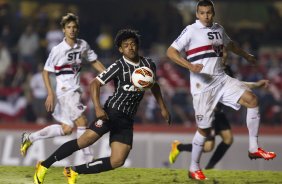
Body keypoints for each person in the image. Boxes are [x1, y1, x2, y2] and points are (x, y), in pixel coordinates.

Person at [32, 29, 171, 184]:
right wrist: (98, 108)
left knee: (118, 161)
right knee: (86, 140)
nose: (130, 47)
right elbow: (95, 84)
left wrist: (163, 107)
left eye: (133, 44)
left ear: (137, 45)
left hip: (127, 119)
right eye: (126, 45)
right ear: (120, 49)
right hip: (112, 112)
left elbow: (154, 85)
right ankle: (44, 165)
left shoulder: (149, 64)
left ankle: (73, 171)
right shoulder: (118, 66)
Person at [166, 0, 276, 180]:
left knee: (252, 100)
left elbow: (231, 46)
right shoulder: (191, 30)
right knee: (204, 131)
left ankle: (254, 148)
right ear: (197, 14)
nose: (206, 16)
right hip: (203, 87)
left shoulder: (219, 29)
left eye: (209, 12)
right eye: (202, 13)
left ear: (213, 13)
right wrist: (189, 66)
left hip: (221, 79)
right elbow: (171, 52)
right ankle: (194, 167)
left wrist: (246, 56)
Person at [20, 13, 105, 163]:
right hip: (66, 91)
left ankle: (30, 138)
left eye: (74, 27)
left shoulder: (83, 45)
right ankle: (89, 159)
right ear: (63, 30)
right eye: (68, 27)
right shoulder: (57, 50)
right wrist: (50, 94)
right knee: (82, 122)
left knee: (66, 129)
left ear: (77, 29)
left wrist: (108, 74)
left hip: (74, 91)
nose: (71, 30)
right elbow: (46, 72)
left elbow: (94, 61)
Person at [169, 79, 270, 169]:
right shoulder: (209, 66)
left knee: (228, 139)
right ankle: (178, 147)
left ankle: (210, 167)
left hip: (219, 113)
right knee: (208, 147)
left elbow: (238, 84)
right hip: (210, 112)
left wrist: (256, 85)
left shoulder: (222, 68)